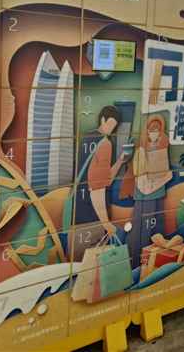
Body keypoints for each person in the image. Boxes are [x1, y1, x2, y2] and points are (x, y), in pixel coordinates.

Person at [72, 105, 127, 262]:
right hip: (93, 217)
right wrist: (106, 223)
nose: (111, 128)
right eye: (109, 124)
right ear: (102, 120)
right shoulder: (105, 144)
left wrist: (120, 162)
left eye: (113, 126)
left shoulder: (90, 137)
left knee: (77, 265)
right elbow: (97, 188)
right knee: (93, 268)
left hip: (78, 214)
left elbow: (103, 179)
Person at [121, 115, 172, 269]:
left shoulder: (161, 148)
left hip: (158, 196)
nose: (154, 134)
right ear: (146, 132)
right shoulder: (140, 152)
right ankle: (134, 268)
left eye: (157, 131)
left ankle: (154, 268)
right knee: (141, 236)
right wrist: (166, 178)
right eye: (151, 131)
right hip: (145, 199)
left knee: (158, 235)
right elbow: (144, 188)